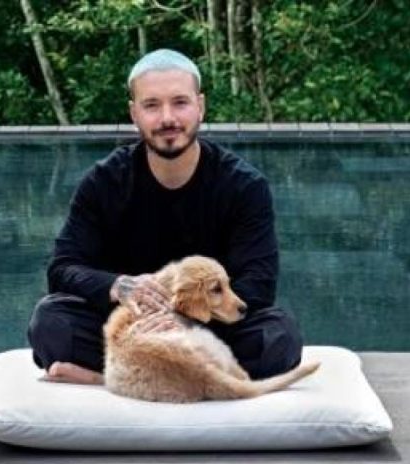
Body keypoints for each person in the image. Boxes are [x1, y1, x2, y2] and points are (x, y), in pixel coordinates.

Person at [27, 49, 303, 385]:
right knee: (51, 323)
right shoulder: (103, 182)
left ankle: (111, 380)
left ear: (200, 106)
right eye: (152, 105)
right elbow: (63, 268)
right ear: (134, 113)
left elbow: (258, 282)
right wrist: (120, 287)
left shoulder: (243, 186)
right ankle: (188, 380)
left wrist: (185, 321)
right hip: (129, 327)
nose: (167, 118)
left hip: (207, 329)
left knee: (277, 337)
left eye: (180, 102)